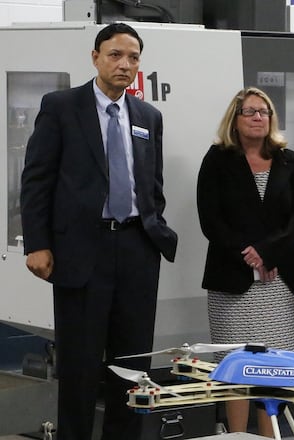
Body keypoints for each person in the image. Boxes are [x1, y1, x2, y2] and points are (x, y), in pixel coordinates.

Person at [20, 23, 178, 440]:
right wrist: (37, 243)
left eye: (133, 57)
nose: (124, 64)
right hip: (80, 252)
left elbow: (152, 185)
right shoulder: (61, 107)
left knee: (133, 366)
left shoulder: (148, 116)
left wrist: (152, 227)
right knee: (80, 365)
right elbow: (36, 180)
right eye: (115, 55)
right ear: (95, 57)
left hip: (136, 250)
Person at [196, 86, 294, 437]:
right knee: (237, 369)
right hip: (233, 282)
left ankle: (271, 435)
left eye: (264, 112)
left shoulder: (293, 162)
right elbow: (210, 219)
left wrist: (268, 252)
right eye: (250, 112)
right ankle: (238, 436)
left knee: (274, 372)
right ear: (236, 118)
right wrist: (249, 253)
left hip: (277, 284)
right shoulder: (217, 159)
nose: (258, 117)